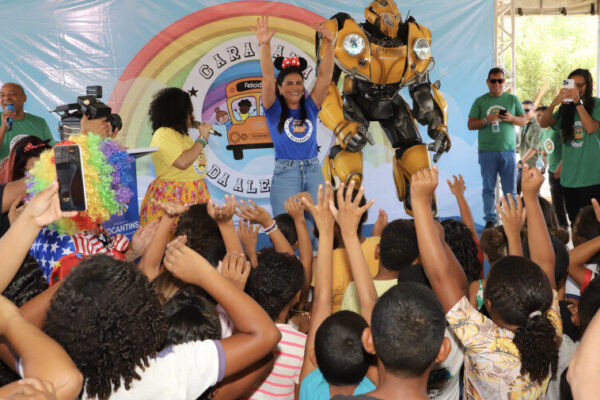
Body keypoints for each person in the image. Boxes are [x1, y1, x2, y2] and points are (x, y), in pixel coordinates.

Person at [411, 165, 561, 399]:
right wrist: (531, 198)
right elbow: (546, 264)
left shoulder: (487, 344)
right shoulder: (549, 328)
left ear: (488, 304)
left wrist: (419, 204)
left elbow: (440, 277)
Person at [251, 16, 334, 232]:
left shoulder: (310, 106)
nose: (295, 87)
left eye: (299, 83)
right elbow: (268, 78)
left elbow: (325, 78)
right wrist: (265, 45)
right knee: (287, 232)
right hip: (285, 174)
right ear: (280, 88)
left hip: (313, 170)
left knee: (319, 229)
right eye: (289, 83)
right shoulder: (273, 109)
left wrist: (330, 44)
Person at [139, 87, 212, 226]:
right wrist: (202, 139)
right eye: (189, 112)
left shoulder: (182, 135)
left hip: (195, 192)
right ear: (178, 113)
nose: (192, 116)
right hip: (174, 195)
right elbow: (183, 162)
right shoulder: (163, 133)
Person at [467, 68, 527, 228]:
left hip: (508, 151)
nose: (497, 84)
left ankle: (511, 220)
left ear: (504, 82)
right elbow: (470, 124)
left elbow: (523, 121)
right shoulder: (480, 101)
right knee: (488, 188)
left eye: (500, 80)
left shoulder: (513, 100)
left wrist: (512, 118)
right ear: (488, 82)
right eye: (493, 81)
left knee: (510, 190)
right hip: (487, 151)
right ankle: (490, 220)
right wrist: (485, 120)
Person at [539, 69, 600, 225]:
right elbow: (543, 122)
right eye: (573, 85)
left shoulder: (597, 104)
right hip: (569, 180)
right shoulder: (565, 109)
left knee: (593, 227)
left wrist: (578, 103)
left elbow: (591, 128)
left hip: (592, 178)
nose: (576, 89)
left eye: (580, 85)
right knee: (575, 224)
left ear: (589, 85)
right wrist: (555, 101)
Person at [0, 83, 55, 160]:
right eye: (2, 95)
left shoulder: (39, 122)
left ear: (24, 98)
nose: (6, 98)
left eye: (12, 94)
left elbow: (50, 150)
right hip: (5, 171)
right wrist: (3, 126)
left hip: (33, 171)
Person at [516, 100, 542, 194]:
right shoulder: (523, 124)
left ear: (533, 111)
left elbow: (534, 148)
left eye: (527, 110)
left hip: (533, 166)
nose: (524, 113)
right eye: (522, 110)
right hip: (524, 165)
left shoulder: (537, 126)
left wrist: (520, 161)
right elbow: (525, 143)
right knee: (518, 191)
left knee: (533, 194)